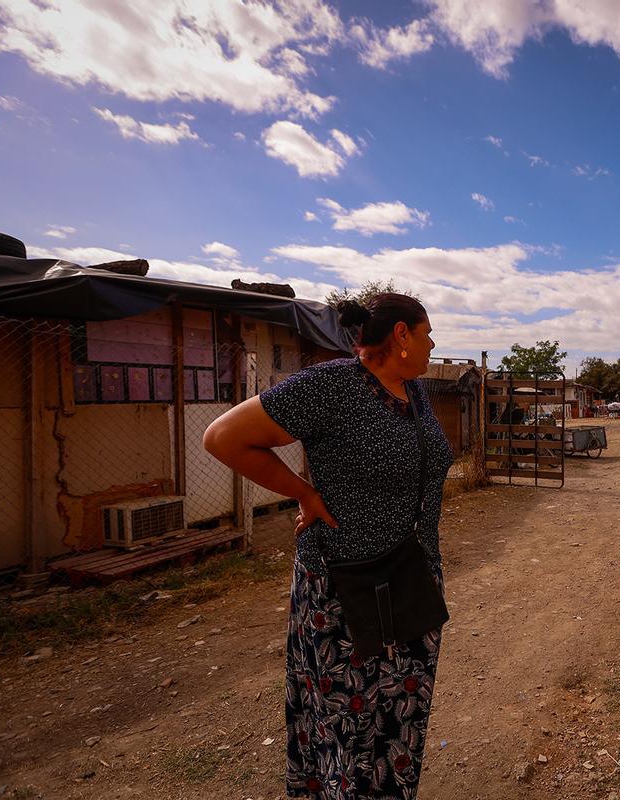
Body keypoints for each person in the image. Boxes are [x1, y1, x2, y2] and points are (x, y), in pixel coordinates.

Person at [203, 293, 453, 799]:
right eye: (426, 333)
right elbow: (222, 437)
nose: (432, 343)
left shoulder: (415, 392)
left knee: (401, 718)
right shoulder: (330, 386)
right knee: (348, 722)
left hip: (410, 579)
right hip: (346, 586)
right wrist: (303, 493)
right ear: (401, 336)